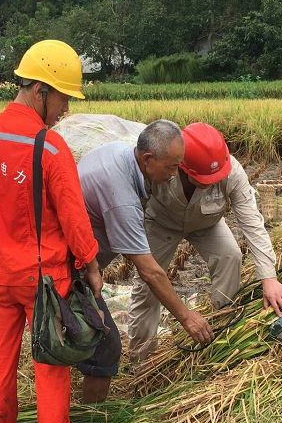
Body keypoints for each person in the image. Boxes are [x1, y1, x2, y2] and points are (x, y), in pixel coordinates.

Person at [0, 39, 102, 423]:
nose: (66, 109)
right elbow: (74, 219)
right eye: (64, 98)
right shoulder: (49, 147)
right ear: (40, 91)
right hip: (44, 281)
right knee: (51, 365)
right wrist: (91, 264)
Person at [128, 123, 282, 361]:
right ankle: (141, 359)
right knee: (147, 286)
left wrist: (269, 278)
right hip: (161, 223)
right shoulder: (162, 165)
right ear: (181, 164)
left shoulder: (233, 172)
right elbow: (134, 202)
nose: (210, 182)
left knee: (231, 256)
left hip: (207, 223)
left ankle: (220, 328)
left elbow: (252, 223)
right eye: (202, 178)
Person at [77, 119, 215, 388]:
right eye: (172, 166)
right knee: (106, 348)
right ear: (148, 158)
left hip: (80, 264)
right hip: (65, 269)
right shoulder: (122, 199)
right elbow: (149, 271)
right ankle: (93, 419)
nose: (175, 174)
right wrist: (187, 317)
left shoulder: (121, 152)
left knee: (82, 338)